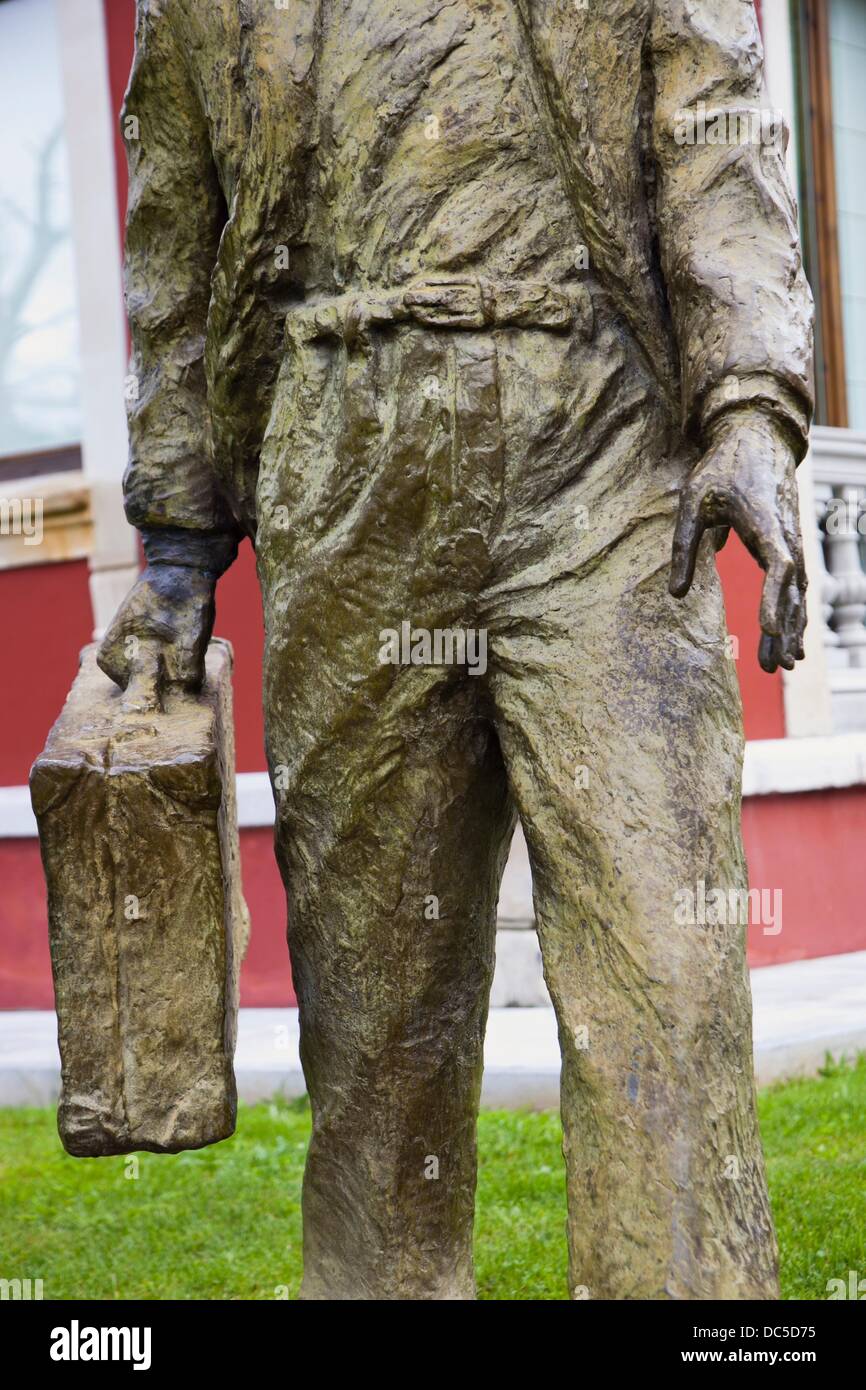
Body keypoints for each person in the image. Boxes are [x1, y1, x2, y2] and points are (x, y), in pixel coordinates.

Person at [98, 0, 814, 1300]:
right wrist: (175, 544)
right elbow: (176, 246)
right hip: (344, 458)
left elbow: (716, 139)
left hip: (601, 451)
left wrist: (750, 407)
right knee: (374, 1017)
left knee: (662, 963)